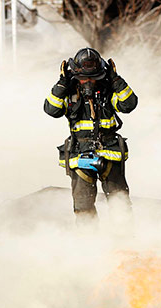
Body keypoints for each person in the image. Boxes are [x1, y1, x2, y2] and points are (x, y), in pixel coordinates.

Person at [44, 47, 138, 224]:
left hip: (110, 151)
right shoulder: (68, 92)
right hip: (79, 154)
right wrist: (61, 84)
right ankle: (88, 242)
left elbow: (129, 105)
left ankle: (125, 242)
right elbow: (52, 110)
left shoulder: (109, 90)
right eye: (83, 78)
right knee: (83, 205)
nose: (88, 81)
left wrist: (116, 80)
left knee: (120, 203)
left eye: (93, 78)